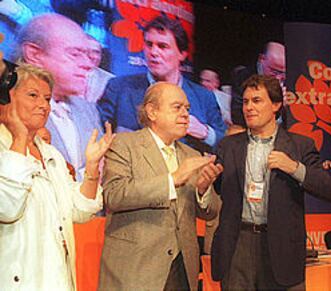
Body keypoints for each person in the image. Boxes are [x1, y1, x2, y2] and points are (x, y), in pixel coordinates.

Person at [211, 74, 331, 290]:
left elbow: (329, 190)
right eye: (246, 101)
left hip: (280, 246)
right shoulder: (228, 146)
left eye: (257, 100)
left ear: (276, 105)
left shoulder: (300, 145)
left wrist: (295, 168)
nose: (249, 107)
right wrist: (205, 185)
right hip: (237, 244)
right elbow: (220, 188)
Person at [98, 82, 222, 290]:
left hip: (182, 268)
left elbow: (211, 212)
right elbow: (114, 195)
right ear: (152, 111)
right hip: (137, 269)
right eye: (177, 107)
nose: (186, 115)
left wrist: (203, 191)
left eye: (188, 109)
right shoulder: (124, 145)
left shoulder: (192, 155)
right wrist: (172, 179)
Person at [0, 63, 114, 290]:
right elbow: (6, 206)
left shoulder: (51, 153)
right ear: (6, 98)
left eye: (47, 99)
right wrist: (20, 138)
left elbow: (79, 211)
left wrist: (91, 167)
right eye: (33, 95)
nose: (43, 105)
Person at [97, 15, 226, 152]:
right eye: (149, 44)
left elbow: (225, 142)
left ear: (182, 54)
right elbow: (97, 133)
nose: (153, 52)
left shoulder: (204, 97)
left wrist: (205, 132)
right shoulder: (119, 88)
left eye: (162, 46)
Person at [14, 13, 104, 180]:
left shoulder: (87, 108)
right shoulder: (9, 110)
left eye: (87, 55)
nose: (87, 64)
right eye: (75, 54)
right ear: (35, 55)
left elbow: (103, 169)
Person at [231, 41, 286, 128]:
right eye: (274, 72)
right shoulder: (242, 78)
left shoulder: (289, 80)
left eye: (283, 73)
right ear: (261, 59)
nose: (278, 78)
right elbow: (238, 117)